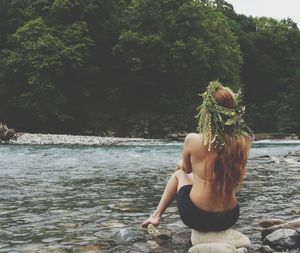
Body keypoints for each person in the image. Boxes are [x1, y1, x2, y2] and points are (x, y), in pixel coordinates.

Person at [141, 81, 252, 232]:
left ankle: (156, 215)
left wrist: (180, 163)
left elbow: (186, 169)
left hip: (198, 216)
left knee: (179, 174)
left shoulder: (193, 139)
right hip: (230, 217)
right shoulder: (242, 141)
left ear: (207, 112)